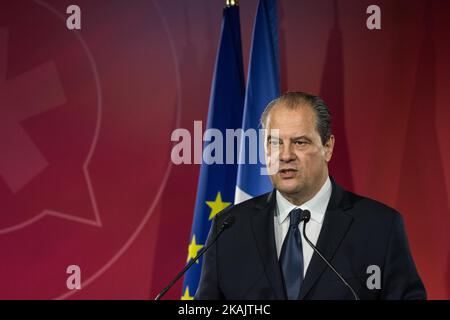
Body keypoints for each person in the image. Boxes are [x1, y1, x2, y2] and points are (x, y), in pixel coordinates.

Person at [195, 92, 426, 300]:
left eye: (300, 142)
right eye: (275, 142)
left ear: (327, 147)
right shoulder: (229, 228)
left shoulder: (379, 227)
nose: (285, 155)